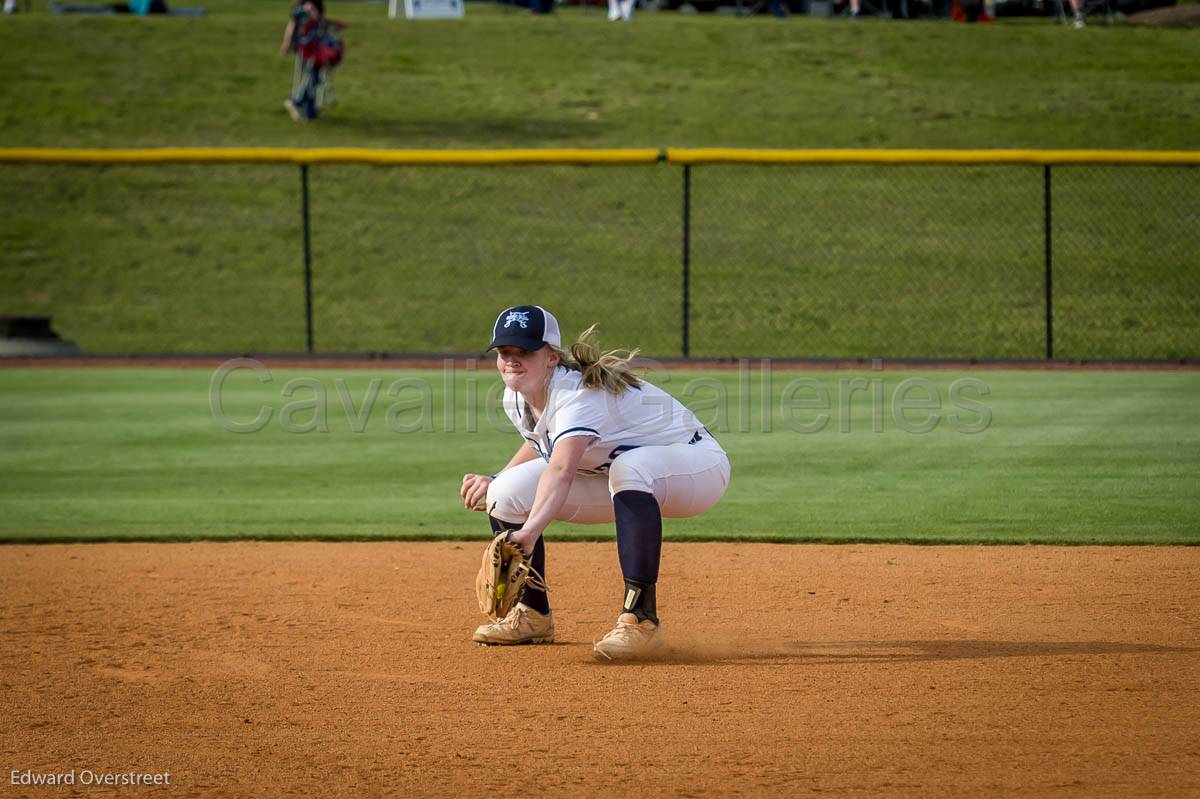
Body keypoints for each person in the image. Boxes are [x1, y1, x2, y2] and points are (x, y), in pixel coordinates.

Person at [461, 305, 731, 660]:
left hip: (695, 467)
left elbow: (561, 470)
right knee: (505, 493)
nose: (512, 359)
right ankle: (532, 614)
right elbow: (541, 443)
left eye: (524, 351)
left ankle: (640, 620)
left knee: (629, 466)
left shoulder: (578, 396)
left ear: (552, 357)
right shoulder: (516, 395)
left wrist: (528, 533)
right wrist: (497, 478)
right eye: (505, 351)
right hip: (616, 478)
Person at [282, 0, 343, 121]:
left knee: (314, 77)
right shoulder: (305, 7)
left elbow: (320, 21)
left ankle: (310, 113)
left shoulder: (313, 5)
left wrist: (335, 24)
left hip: (315, 49)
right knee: (312, 77)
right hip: (308, 50)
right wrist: (287, 43)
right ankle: (295, 101)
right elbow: (294, 24)